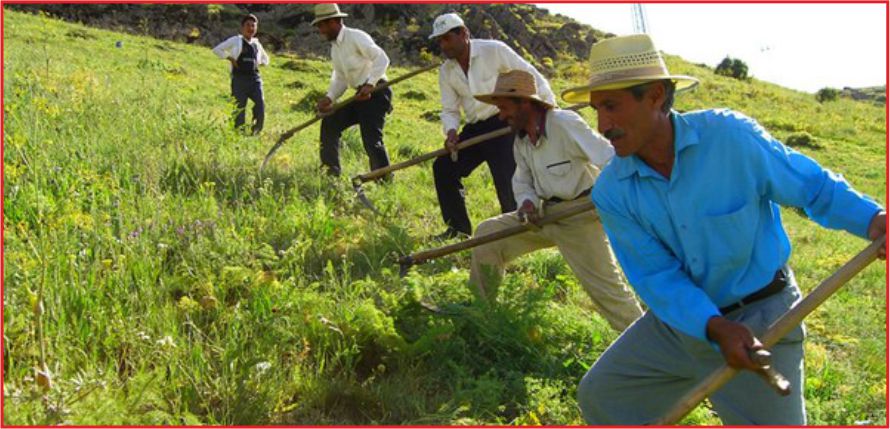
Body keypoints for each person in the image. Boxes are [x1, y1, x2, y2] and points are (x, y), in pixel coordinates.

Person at [560, 34, 887, 425]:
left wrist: (873, 220)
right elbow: (656, 277)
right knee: (605, 394)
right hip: (682, 325)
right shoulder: (613, 190)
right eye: (597, 110)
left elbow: (813, 188)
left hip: (765, 317)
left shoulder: (730, 139)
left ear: (656, 96)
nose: (603, 125)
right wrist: (714, 327)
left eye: (612, 107)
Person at [468, 70, 643, 331]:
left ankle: (649, 343)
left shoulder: (564, 123)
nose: (501, 116)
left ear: (525, 103)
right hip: (543, 214)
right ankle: (481, 317)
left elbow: (608, 158)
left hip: (580, 216)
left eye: (504, 108)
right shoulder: (521, 140)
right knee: (488, 235)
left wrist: (613, 196)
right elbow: (522, 181)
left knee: (608, 292)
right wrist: (527, 203)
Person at [429, 13, 557, 239]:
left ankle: (517, 232)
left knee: (507, 178)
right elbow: (450, 109)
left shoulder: (494, 50)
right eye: (439, 40)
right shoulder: (446, 71)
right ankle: (458, 229)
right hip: (475, 128)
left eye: (447, 38)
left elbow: (531, 76)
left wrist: (549, 110)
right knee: (444, 167)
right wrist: (451, 133)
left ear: (464, 33)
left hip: (503, 124)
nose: (443, 45)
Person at [313, 4, 392, 177]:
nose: (321, 30)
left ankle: (384, 179)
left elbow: (382, 58)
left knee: (371, 140)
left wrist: (370, 84)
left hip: (377, 91)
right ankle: (330, 172)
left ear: (334, 21)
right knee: (330, 122)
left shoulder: (356, 37)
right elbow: (341, 78)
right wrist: (330, 97)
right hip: (360, 95)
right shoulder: (335, 48)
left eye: (322, 25)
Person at [212, 14, 269, 135]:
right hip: (239, 79)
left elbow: (266, 59)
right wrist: (230, 58)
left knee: (260, 104)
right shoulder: (236, 40)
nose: (250, 28)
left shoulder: (257, 44)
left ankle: (256, 131)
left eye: (253, 26)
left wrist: (258, 63)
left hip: (255, 79)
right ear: (242, 28)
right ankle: (239, 133)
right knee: (239, 108)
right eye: (247, 25)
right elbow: (217, 49)